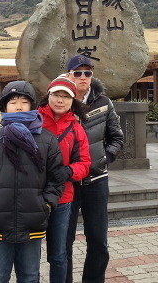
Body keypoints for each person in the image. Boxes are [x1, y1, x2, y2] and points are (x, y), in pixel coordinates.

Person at [0, 80, 64, 283]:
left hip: (32, 222)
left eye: (24, 101)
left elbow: (56, 178)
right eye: (13, 102)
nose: (19, 107)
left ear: (33, 105)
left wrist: (46, 205)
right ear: (4, 107)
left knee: (29, 278)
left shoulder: (47, 140)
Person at [64, 55, 124, 283]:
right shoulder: (60, 101)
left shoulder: (104, 103)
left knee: (98, 241)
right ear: (69, 75)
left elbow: (117, 137)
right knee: (63, 242)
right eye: (77, 72)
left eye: (87, 73)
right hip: (67, 183)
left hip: (96, 180)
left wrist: (104, 158)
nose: (83, 77)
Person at [38, 76, 91, 283]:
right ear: (48, 96)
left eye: (66, 96)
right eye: (56, 95)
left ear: (72, 101)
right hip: (33, 196)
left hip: (62, 198)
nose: (60, 100)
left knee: (59, 254)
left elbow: (84, 163)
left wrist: (69, 171)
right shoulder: (34, 121)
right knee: (30, 253)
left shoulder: (77, 129)